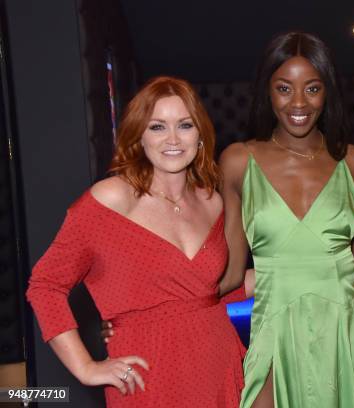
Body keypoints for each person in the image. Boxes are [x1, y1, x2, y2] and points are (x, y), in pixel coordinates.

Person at [27, 76, 245, 407]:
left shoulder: (212, 202)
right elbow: (45, 285)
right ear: (139, 136)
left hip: (220, 363)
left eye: (185, 125)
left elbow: (212, 291)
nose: (173, 139)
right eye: (157, 127)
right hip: (147, 374)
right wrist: (85, 367)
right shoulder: (109, 199)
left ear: (200, 135)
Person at [219, 32, 354, 408]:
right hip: (275, 332)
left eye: (312, 88)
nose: (298, 102)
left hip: (349, 332)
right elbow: (228, 272)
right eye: (284, 88)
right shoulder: (237, 161)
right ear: (267, 90)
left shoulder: (353, 163)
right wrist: (146, 309)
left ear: (327, 92)